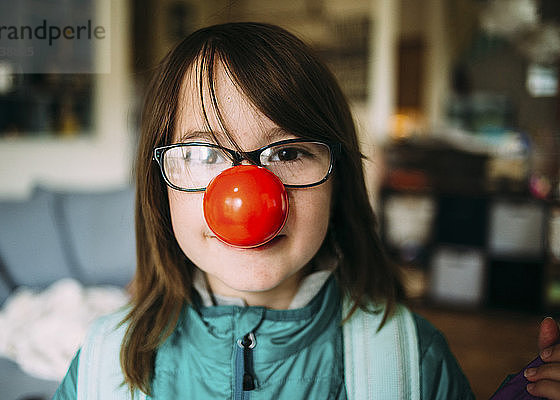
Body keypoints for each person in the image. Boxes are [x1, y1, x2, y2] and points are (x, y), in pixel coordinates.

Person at [51, 22, 554, 400]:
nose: (246, 195)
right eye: (204, 154)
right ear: (159, 186)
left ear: (338, 180)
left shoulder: (412, 361)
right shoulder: (102, 367)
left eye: (287, 153)